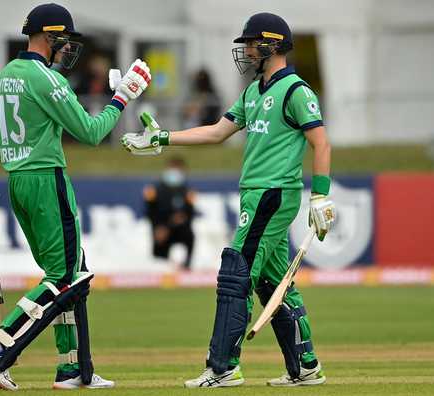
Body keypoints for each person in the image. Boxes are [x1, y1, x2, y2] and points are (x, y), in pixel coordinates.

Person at [122, 12, 335, 388]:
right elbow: (218, 132)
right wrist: (163, 138)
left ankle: (223, 367)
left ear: (273, 45)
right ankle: (305, 365)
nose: (248, 51)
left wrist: (320, 196)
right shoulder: (253, 92)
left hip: (273, 193)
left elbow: (321, 142)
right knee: (272, 283)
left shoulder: (296, 91)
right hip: (256, 192)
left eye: (253, 44)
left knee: (236, 272)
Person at [0, 3, 151, 391]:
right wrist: (122, 97)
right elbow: (90, 131)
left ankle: (74, 370)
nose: (67, 49)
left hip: (18, 184)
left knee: (72, 273)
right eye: (63, 41)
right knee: (65, 277)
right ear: (47, 38)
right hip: (47, 180)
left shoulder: (4, 78)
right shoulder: (46, 80)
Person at [143, 157, 196, 270]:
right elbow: (150, 212)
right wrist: (159, 227)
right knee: (159, 242)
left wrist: (172, 224)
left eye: (178, 169)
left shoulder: (187, 191)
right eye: (172, 168)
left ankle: (186, 265)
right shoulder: (154, 190)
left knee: (189, 235)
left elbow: (190, 213)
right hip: (159, 231)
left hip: (178, 230)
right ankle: (162, 262)